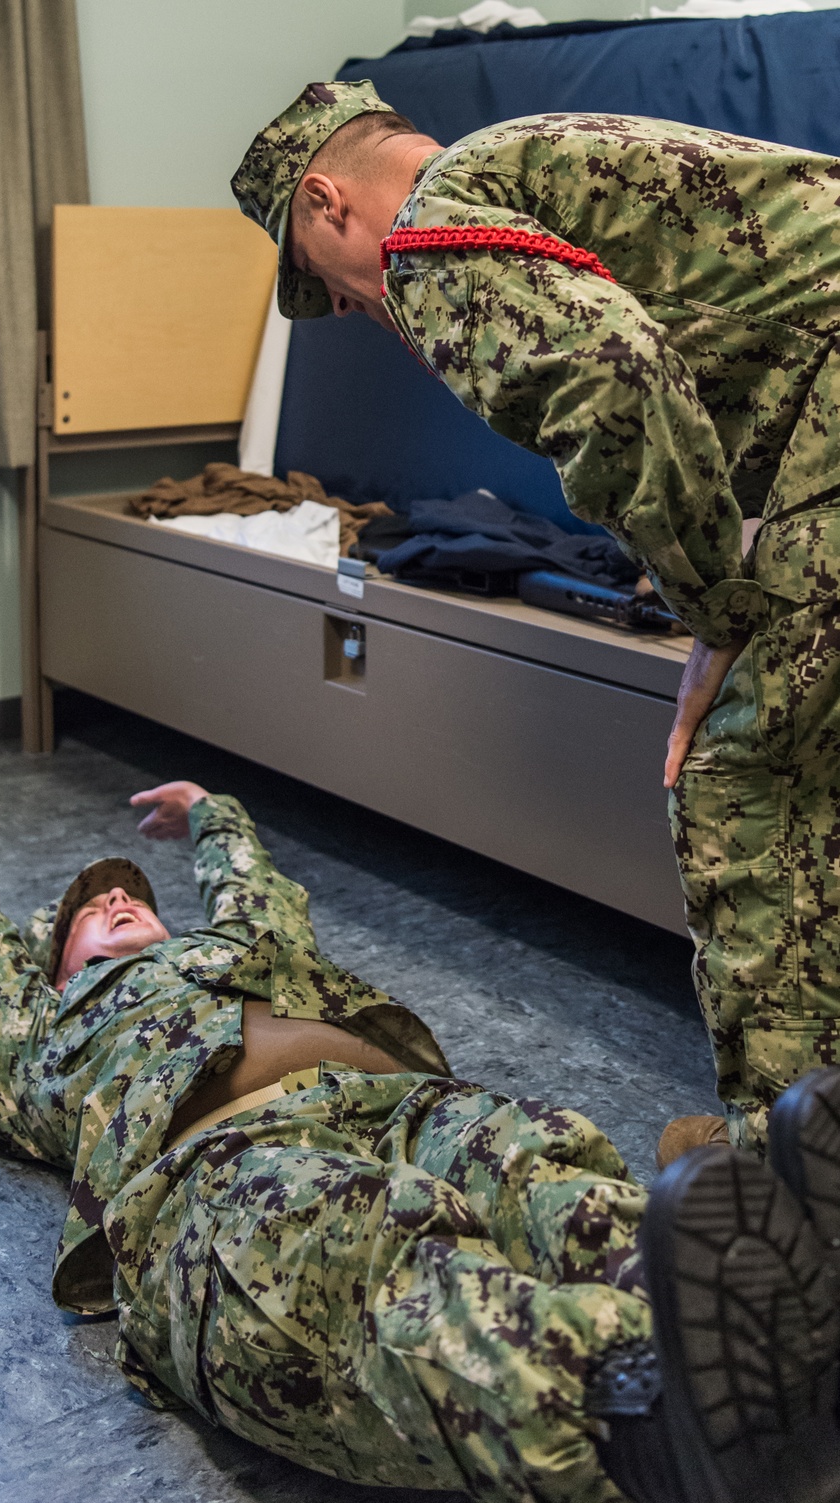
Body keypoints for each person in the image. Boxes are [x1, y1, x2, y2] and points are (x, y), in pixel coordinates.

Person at [0, 780, 840, 1503]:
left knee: (532, 1158)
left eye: (128, 898)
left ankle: (758, 1304)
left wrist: (212, 816)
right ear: (54, 971)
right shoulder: (48, 1038)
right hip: (219, 1166)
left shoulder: (240, 952)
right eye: (86, 916)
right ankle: (643, 1413)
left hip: (397, 1101)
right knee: (362, 1244)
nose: (112, 903)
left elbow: (259, 892)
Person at [231, 82, 840, 1164]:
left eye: (338, 292)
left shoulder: (427, 230)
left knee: (747, 783)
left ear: (328, 203)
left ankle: (793, 1176)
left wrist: (718, 612)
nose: (368, 313)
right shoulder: (526, 160)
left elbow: (619, 383)